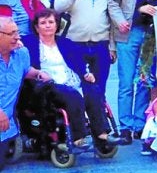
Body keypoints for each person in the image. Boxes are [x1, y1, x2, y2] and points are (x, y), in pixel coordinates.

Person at [21, 9, 122, 149]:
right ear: (37, 27)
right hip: (46, 85)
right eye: (43, 23)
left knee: (93, 90)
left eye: (51, 22)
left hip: (70, 79)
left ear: (57, 25)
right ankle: (78, 137)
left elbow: (78, 62)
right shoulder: (28, 42)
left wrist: (86, 73)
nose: (48, 25)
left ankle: (102, 133)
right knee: (71, 94)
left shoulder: (65, 42)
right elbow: (14, 46)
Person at [108, 0, 157, 143]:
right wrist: (120, 21)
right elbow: (112, 1)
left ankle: (140, 123)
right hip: (127, 33)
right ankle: (126, 126)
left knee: (145, 80)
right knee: (126, 81)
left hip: (151, 33)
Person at [54, 0, 113, 98]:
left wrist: (112, 46)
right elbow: (58, 7)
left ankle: (99, 122)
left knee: (100, 90)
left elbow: (112, 14)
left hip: (101, 43)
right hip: (74, 42)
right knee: (77, 89)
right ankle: (81, 122)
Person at [0, 13, 51, 171]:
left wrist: (37, 73)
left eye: (17, 32)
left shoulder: (21, 53)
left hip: (6, 128)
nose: (17, 37)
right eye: (12, 34)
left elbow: (25, 70)